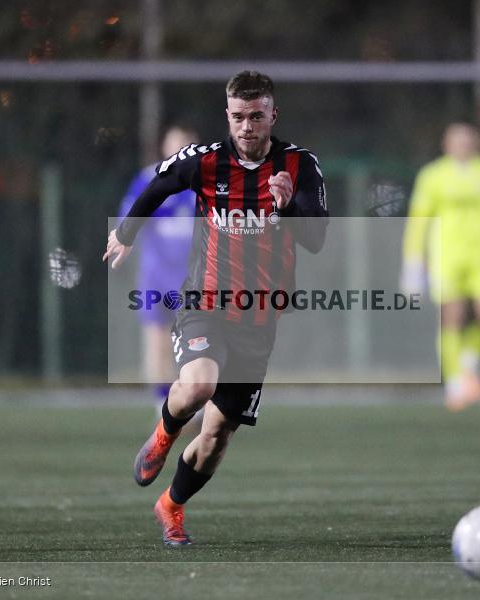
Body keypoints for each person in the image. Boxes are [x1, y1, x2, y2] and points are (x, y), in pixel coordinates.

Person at [104, 71, 328, 546]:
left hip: (259, 319)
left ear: (272, 115)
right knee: (199, 383)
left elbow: (316, 240)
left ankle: (171, 505)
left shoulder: (298, 165)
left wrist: (288, 208)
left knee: (217, 436)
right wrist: (125, 233)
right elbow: (158, 185)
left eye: (256, 116)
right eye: (238, 116)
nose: (247, 126)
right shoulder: (204, 161)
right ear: (227, 115)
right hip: (205, 302)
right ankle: (164, 434)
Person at [401, 123, 480, 410]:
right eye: (457, 141)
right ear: (446, 144)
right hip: (446, 258)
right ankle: (456, 382)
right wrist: (413, 263)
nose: (463, 145)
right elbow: (418, 221)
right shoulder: (433, 175)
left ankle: (468, 357)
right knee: (451, 318)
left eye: (468, 140)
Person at [119, 125, 203, 426]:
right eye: (174, 143)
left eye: (185, 144)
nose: (179, 149)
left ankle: (194, 398)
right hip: (156, 276)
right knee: (158, 343)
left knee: (199, 343)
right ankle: (161, 401)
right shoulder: (148, 178)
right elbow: (130, 216)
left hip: (197, 279)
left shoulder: (206, 181)